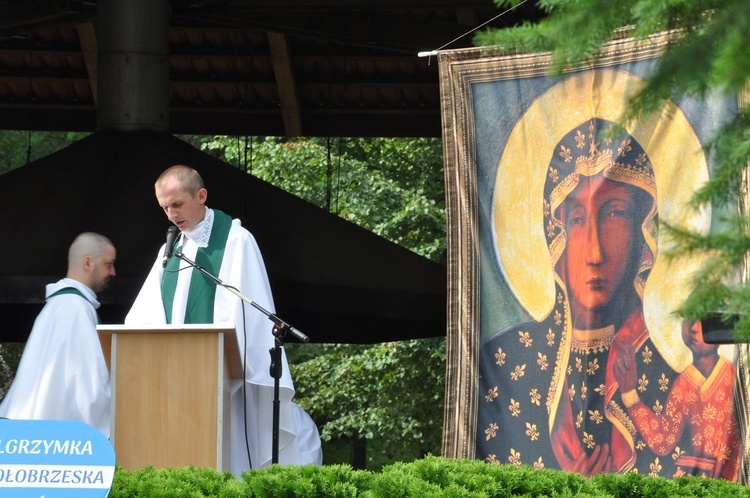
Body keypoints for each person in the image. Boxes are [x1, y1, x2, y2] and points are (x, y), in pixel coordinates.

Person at [478, 118, 680, 476]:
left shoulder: (670, 364)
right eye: (575, 218)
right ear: (552, 236)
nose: (594, 252)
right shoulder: (508, 360)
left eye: (615, 213)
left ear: (643, 235)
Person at [125, 165, 322, 475]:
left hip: (224, 380)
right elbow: (143, 317)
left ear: (201, 195)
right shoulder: (171, 250)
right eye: (164, 207)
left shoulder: (235, 241)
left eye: (177, 204)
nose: (171, 214)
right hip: (178, 380)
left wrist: (219, 356)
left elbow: (248, 315)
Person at [0, 232, 116, 436]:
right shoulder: (76, 308)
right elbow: (91, 384)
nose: (113, 272)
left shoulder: (57, 305)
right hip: (59, 438)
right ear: (88, 263)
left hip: (31, 431)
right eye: (109, 264)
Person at [613, 316, 740, 479]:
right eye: (689, 317)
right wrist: (629, 392)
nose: (693, 328)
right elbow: (663, 441)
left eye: (703, 319)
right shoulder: (684, 384)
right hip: (697, 480)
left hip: (735, 477)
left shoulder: (735, 375)